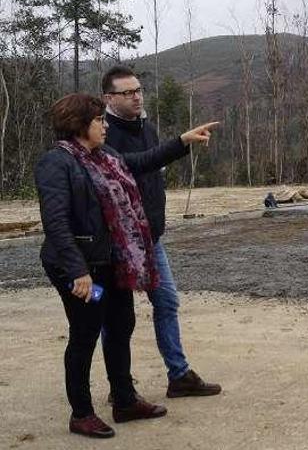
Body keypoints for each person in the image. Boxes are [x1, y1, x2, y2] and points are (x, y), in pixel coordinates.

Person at [36, 93, 218, 438]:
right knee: (85, 332)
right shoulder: (56, 163)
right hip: (77, 268)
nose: (104, 126)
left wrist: (182, 142)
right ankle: (81, 413)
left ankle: (124, 400)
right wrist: (79, 272)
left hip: (111, 262)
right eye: (98, 121)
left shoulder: (106, 156)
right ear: (78, 125)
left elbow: (143, 160)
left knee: (121, 324)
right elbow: (56, 223)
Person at [102, 65, 222, 398]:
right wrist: (181, 142)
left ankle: (179, 375)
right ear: (108, 98)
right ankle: (119, 385)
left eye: (139, 90)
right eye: (128, 92)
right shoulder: (103, 133)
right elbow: (134, 163)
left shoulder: (147, 127)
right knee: (117, 317)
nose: (137, 96)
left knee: (167, 302)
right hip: (119, 242)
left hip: (151, 237)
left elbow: (153, 169)